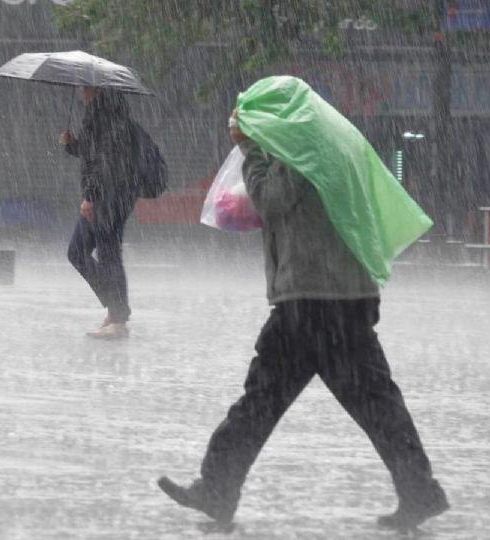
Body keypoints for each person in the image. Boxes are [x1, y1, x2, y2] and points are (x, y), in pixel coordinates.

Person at [157, 110, 448, 531]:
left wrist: (250, 150)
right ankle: (419, 491)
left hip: (311, 303)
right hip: (344, 299)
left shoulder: (302, 153)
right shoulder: (339, 153)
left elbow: (271, 202)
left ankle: (217, 489)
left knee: (261, 401)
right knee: (376, 404)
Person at [61, 87, 138, 339]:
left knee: (106, 254)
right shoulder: (102, 115)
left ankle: (117, 316)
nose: (82, 91)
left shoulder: (105, 117)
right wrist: (72, 145)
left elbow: (104, 161)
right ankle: (117, 310)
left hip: (107, 197)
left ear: (97, 90)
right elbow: (91, 152)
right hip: (113, 195)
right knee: (84, 252)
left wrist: (90, 196)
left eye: (86, 87)